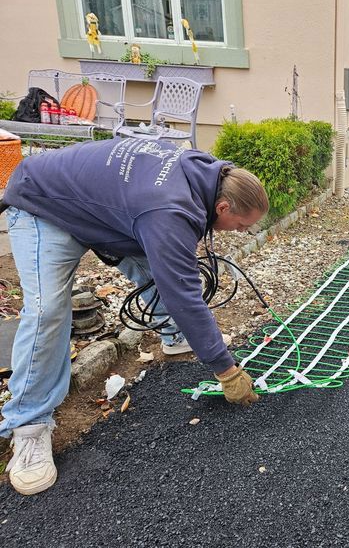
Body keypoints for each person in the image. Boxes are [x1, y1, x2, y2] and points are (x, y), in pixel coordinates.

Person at [0, 136, 268, 495]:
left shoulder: (211, 173)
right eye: (240, 225)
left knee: (168, 265)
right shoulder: (169, 209)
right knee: (47, 310)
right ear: (222, 207)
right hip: (45, 204)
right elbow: (183, 294)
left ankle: (175, 337)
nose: (241, 232)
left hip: (101, 209)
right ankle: (29, 425)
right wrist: (225, 369)